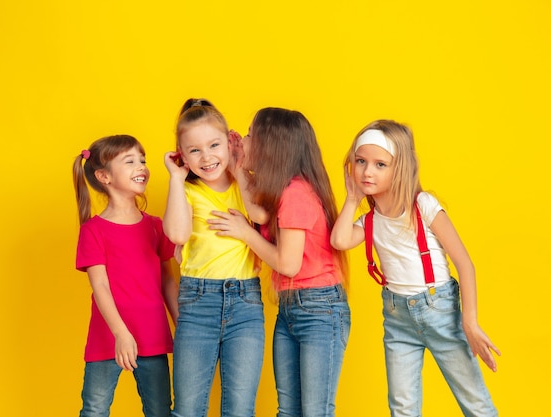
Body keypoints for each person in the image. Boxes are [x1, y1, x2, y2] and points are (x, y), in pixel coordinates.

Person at [330, 119, 499, 416]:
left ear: (400, 169)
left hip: (440, 311)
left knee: (475, 402)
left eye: (380, 164)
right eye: (360, 161)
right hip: (397, 320)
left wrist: (469, 322)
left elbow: (464, 263)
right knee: (402, 407)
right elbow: (340, 240)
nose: (367, 171)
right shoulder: (369, 221)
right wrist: (352, 198)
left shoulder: (423, 206)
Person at [207, 107, 351, 417]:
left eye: (249, 135)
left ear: (271, 146)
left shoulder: (297, 193)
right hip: (291, 308)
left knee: (314, 411)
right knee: (288, 410)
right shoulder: (284, 190)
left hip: (319, 310)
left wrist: (244, 233)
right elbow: (259, 214)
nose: (243, 140)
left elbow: (288, 264)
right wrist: (238, 169)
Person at [163, 98, 265, 417]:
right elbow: (177, 234)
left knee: (239, 409)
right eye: (194, 150)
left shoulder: (244, 183)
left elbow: (259, 215)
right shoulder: (188, 192)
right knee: (189, 408)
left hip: (246, 305)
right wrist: (176, 179)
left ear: (229, 143)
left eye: (214, 145)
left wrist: (237, 167)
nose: (207, 157)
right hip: (198, 303)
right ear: (181, 155)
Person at [72, 134, 179, 417]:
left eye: (142, 160)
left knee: (159, 410)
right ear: (104, 176)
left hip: (153, 335)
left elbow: (168, 280)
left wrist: (182, 323)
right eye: (130, 161)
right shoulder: (93, 230)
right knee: (94, 410)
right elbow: (101, 287)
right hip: (108, 338)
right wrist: (120, 333)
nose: (141, 166)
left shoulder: (156, 226)